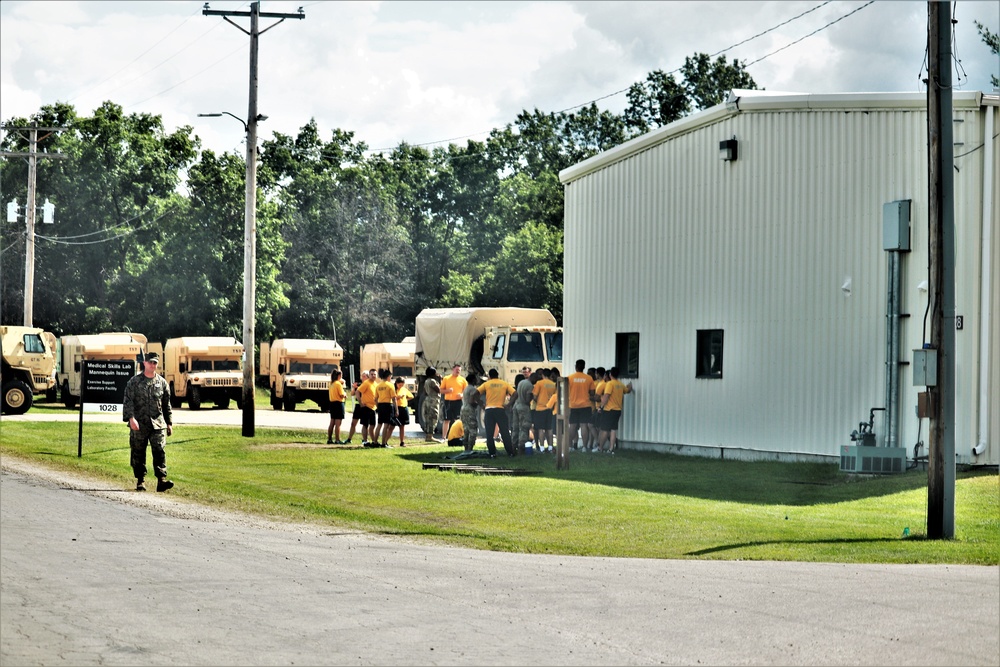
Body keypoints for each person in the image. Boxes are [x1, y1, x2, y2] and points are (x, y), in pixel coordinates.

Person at [123, 352, 174, 492]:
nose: (153, 365)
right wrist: (131, 418)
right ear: (144, 363)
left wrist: (169, 423)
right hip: (139, 423)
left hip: (157, 423)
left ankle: (161, 480)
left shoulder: (162, 383)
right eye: (150, 362)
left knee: (159, 450)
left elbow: (166, 404)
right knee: (138, 451)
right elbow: (128, 401)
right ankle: (140, 481)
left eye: (155, 363)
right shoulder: (134, 382)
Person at [477, 368, 515, 457]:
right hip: (500, 410)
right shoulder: (504, 384)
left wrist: (481, 404)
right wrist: (509, 404)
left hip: (489, 410)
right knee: (505, 431)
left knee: (489, 433)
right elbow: (515, 393)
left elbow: (475, 393)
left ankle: (492, 453)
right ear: (498, 375)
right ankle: (510, 452)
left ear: (489, 376)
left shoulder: (486, 384)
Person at [598, 366, 634, 454]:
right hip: (617, 410)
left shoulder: (610, 384)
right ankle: (611, 449)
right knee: (613, 430)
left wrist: (601, 406)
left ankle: (600, 448)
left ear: (610, 374)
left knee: (605, 430)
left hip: (609, 410)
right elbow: (627, 390)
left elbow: (606, 396)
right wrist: (630, 385)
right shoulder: (620, 384)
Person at [567, 359, 596, 453]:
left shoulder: (570, 378)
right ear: (584, 367)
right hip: (585, 405)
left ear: (576, 366)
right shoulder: (589, 378)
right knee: (584, 425)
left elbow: (565, 391)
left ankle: (570, 446)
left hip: (573, 405)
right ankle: (584, 447)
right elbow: (592, 392)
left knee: (572, 426)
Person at [439, 364, 467, 445]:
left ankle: (458, 436)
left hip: (458, 402)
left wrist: (462, 395)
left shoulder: (463, 380)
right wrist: (448, 390)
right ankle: (443, 437)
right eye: (457, 370)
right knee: (446, 420)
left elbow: (466, 391)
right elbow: (441, 390)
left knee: (458, 420)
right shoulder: (446, 378)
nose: (458, 371)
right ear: (453, 369)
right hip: (448, 401)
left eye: (459, 370)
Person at [531, 367, 557, 453]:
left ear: (543, 375)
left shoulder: (539, 383)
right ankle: (550, 447)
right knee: (549, 429)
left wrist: (538, 400)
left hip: (540, 408)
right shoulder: (553, 384)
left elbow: (534, 396)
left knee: (540, 429)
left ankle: (541, 448)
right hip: (550, 409)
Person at [513, 370, 536, 454]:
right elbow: (527, 399)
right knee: (524, 427)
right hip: (524, 407)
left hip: (516, 405)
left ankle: (513, 445)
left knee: (515, 427)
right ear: (533, 378)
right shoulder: (530, 386)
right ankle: (521, 447)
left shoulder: (521, 382)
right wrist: (532, 397)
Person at [373, 368, 398, 447]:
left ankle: (375, 442)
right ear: (388, 376)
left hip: (380, 405)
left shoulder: (378, 385)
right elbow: (394, 398)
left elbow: (375, 399)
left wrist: (378, 407)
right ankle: (384, 443)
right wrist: (396, 410)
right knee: (386, 425)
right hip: (388, 405)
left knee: (379, 424)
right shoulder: (390, 385)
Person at [344, 370, 368, 445]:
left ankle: (365, 440)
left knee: (365, 424)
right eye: (362, 376)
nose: (363, 378)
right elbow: (352, 394)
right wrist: (354, 388)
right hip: (358, 405)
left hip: (365, 405)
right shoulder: (359, 384)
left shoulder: (368, 384)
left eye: (364, 376)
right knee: (353, 423)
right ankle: (349, 438)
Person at [459, 371, 481, 451]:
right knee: (473, 430)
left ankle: (466, 448)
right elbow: (472, 401)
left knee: (466, 429)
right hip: (470, 410)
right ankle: (470, 448)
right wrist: (479, 404)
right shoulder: (473, 389)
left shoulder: (466, 388)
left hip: (463, 409)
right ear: (473, 380)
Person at [357, 369, 378, 447]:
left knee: (372, 425)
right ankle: (365, 441)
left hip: (373, 407)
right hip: (366, 407)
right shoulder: (366, 383)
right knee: (365, 425)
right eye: (371, 374)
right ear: (369, 375)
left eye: (374, 374)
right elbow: (357, 391)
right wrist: (360, 402)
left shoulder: (376, 384)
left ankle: (373, 441)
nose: (373, 376)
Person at [421, 367, 442, 442]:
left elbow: (424, 392)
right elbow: (438, 390)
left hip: (428, 399)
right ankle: (430, 436)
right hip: (433, 400)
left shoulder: (426, 381)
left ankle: (428, 435)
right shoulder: (433, 381)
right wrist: (440, 380)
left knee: (428, 417)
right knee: (433, 417)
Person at [326, 367, 347, 444]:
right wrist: (345, 394)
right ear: (339, 376)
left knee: (332, 422)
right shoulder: (338, 384)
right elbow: (341, 395)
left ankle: (329, 439)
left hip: (332, 403)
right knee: (338, 423)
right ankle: (337, 439)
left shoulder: (331, 384)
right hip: (338, 403)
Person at [393, 377, 413, 447]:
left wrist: (405, 399)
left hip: (404, 407)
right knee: (391, 426)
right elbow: (392, 398)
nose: (401, 386)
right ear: (396, 383)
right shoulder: (394, 389)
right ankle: (385, 441)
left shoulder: (404, 389)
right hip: (397, 407)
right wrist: (398, 398)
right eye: (399, 385)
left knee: (402, 426)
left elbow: (411, 396)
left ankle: (402, 441)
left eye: (402, 385)